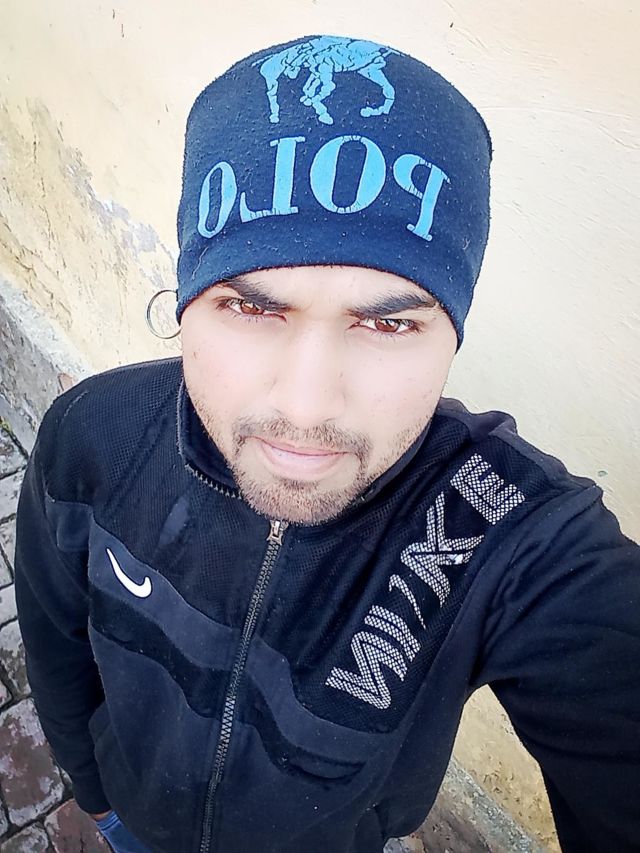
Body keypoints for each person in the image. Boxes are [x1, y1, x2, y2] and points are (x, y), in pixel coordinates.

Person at [14, 33, 640, 853]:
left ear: (450, 333)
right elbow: (53, 639)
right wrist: (96, 796)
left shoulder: (507, 533)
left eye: (388, 324)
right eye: (251, 308)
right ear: (187, 305)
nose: (306, 407)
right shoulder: (92, 435)